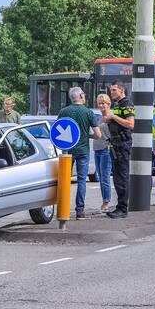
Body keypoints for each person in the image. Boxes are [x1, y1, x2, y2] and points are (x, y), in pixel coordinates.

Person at [58, 87, 101, 220]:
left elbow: (58, 130)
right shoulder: (88, 112)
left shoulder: (63, 111)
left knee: (65, 180)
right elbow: (98, 135)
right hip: (83, 151)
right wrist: (87, 135)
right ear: (81, 96)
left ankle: (63, 210)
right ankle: (80, 211)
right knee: (82, 180)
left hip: (67, 151)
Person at [99, 81, 135, 219]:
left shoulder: (127, 103)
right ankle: (120, 207)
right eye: (111, 90)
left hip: (122, 144)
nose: (111, 92)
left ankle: (122, 209)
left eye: (114, 90)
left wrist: (113, 116)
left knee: (122, 177)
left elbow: (130, 124)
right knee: (117, 178)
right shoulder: (117, 105)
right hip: (115, 144)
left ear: (122, 90)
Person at [93, 94, 114, 212]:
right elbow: (97, 134)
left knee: (105, 177)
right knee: (101, 177)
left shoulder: (111, 117)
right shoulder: (99, 118)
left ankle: (106, 202)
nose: (101, 105)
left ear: (109, 104)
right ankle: (104, 200)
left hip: (106, 150)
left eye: (103, 103)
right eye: (99, 103)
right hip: (97, 149)